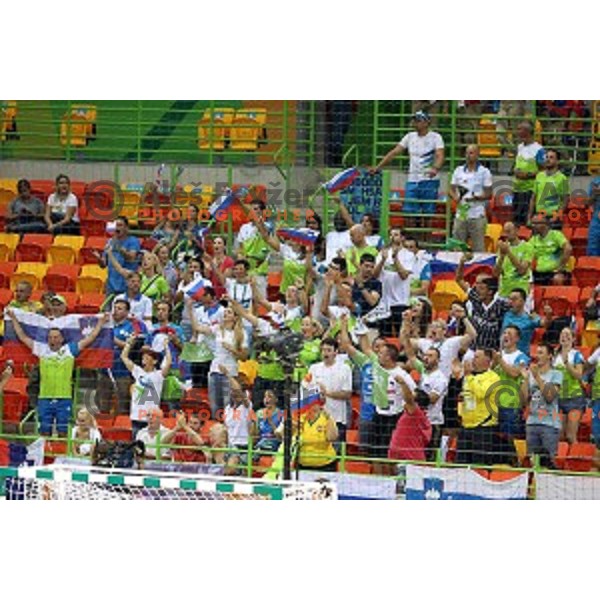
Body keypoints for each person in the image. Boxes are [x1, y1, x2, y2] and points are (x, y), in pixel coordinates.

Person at [6, 309, 110, 437]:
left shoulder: (70, 350)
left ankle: (62, 454)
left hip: (64, 399)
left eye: (55, 337)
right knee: (44, 431)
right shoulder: (41, 350)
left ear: (61, 339)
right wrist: (13, 318)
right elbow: (22, 337)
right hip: (44, 398)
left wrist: (100, 322)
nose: (52, 340)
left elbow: (91, 338)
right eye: (50, 337)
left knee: (63, 432)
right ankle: (45, 454)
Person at [373, 110, 445, 229]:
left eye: (418, 120)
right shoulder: (409, 136)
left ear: (427, 122)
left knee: (427, 213)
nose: (415, 123)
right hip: (412, 179)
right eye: (414, 120)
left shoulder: (436, 137)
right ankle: (410, 238)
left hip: (429, 180)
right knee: (409, 212)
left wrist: (435, 168)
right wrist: (378, 167)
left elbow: (440, 155)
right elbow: (394, 152)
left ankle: (424, 239)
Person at [457, 348, 512, 466]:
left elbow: (482, 393)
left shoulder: (493, 377)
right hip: (466, 427)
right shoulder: (470, 377)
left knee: (479, 466)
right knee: (460, 466)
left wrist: (469, 376)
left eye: (477, 357)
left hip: (483, 428)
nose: (473, 360)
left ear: (487, 360)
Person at [96, 298, 146, 415]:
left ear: (127, 312)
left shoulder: (133, 326)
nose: (115, 311)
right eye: (115, 308)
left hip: (123, 371)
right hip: (105, 370)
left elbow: (133, 346)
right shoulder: (106, 325)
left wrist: (111, 339)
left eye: (119, 309)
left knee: (122, 406)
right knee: (103, 405)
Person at [121, 339, 172, 439]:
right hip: (136, 417)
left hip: (151, 419)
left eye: (147, 356)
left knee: (150, 445)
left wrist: (166, 346)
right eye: (143, 356)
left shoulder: (158, 375)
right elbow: (124, 357)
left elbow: (169, 363)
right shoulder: (138, 372)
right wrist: (129, 343)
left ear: (154, 361)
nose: (144, 357)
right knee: (137, 446)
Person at [304, 338, 353, 442]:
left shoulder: (344, 368)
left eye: (329, 350)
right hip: (316, 417)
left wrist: (326, 393)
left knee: (337, 452)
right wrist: (316, 393)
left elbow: (347, 394)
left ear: (336, 352)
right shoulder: (313, 368)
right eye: (323, 350)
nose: (325, 353)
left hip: (337, 417)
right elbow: (305, 389)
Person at [522, 344, 563, 468]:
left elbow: (550, 396)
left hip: (549, 424)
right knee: (532, 462)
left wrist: (537, 377)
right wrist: (525, 379)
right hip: (532, 423)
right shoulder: (531, 374)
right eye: (536, 352)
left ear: (550, 356)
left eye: (540, 353)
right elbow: (523, 401)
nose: (536, 356)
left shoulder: (556, 374)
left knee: (548, 463)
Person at [457, 262, 510, 351]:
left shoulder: (502, 304)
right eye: (477, 284)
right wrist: (462, 262)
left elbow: (517, 307)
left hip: (491, 351)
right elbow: (459, 279)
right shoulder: (475, 298)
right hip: (473, 349)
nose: (477, 289)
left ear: (490, 291)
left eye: (481, 287)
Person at [449, 144, 493, 252]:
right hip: (461, 214)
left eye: (471, 153)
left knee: (478, 247)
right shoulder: (458, 170)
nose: (468, 156)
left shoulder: (484, 172)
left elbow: (489, 194)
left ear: (478, 155)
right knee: (457, 247)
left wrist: (477, 198)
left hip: (477, 214)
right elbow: (451, 189)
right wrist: (455, 197)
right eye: (467, 153)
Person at [493, 326, 530, 439]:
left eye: (509, 333)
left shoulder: (521, 357)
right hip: (494, 403)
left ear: (517, 338)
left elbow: (514, 373)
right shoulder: (498, 355)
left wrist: (500, 361)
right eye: (504, 333)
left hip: (511, 405)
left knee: (509, 439)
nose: (506, 335)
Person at [373, 233, 413, 337]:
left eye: (396, 234)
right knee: (384, 336)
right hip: (384, 303)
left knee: (401, 335)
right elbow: (375, 275)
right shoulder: (383, 253)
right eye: (390, 234)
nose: (392, 237)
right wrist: (382, 260)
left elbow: (404, 275)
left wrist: (395, 258)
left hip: (401, 302)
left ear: (402, 237)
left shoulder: (409, 255)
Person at [93, 216, 141, 297]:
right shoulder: (110, 241)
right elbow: (103, 265)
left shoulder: (133, 241)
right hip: (111, 285)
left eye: (120, 225)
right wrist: (99, 259)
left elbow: (131, 257)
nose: (117, 228)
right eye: (115, 226)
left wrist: (120, 248)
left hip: (127, 284)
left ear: (126, 228)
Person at [553, 327, 586, 445]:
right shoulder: (554, 355)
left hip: (574, 399)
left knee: (571, 436)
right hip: (559, 398)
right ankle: (561, 462)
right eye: (562, 334)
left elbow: (578, 375)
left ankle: (577, 461)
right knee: (560, 436)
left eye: (567, 335)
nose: (564, 337)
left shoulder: (576, 355)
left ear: (573, 339)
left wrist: (567, 363)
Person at [234, 198, 272, 298]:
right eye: (251, 210)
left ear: (262, 212)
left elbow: (264, 231)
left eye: (255, 209)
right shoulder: (244, 227)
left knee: (261, 303)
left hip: (259, 271)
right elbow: (240, 248)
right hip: (245, 272)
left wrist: (241, 203)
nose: (252, 212)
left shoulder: (267, 226)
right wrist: (241, 262)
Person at [511, 120, 546, 226]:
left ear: (527, 131)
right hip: (517, 189)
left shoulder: (538, 149)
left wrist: (528, 175)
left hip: (530, 190)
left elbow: (543, 170)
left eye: (519, 129)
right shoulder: (520, 147)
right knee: (517, 220)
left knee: (528, 221)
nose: (517, 132)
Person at [388, 382, 433, 463]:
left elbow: (408, 399)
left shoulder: (416, 413)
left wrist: (403, 383)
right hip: (400, 456)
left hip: (410, 459)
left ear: (417, 403)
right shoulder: (410, 414)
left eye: (412, 396)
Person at [528, 213, 572, 285]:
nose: (533, 226)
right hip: (540, 273)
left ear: (545, 224)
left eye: (536, 224)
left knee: (558, 279)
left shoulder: (556, 235)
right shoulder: (533, 239)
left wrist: (560, 269)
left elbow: (568, 248)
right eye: (532, 223)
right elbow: (526, 253)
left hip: (556, 272)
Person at [528, 148, 569, 227]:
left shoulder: (562, 178)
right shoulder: (539, 176)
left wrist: (557, 215)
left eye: (551, 157)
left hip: (553, 217)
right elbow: (533, 198)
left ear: (557, 161)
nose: (548, 159)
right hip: (539, 216)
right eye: (546, 157)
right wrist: (529, 216)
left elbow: (565, 200)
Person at [494, 222, 533, 299]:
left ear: (517, 230)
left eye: (509, 231)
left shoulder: (527, 247)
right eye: (505, 232)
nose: (506, 235)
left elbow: (521, 270)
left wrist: (508, 252)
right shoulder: (502, 248)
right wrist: (502, 256)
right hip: (504, 292)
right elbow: (496, 273)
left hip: (521, 291)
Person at [501, 288, 542, 354]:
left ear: (523, 301)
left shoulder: (530, 317)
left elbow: (545, 324)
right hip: (504, 354)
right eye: (509, 299)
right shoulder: (505, 314)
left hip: (522, 356)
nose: (511, 302)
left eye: (514, 299)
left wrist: (548, 315)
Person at [253, 390, 284, 455]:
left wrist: (270, 421)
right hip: (261, 443)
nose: (266, 399)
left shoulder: (281, 413)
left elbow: (281, 436)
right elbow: (256, 434)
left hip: (275, 443)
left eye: (269, 396)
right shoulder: (259, 413)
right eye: (265, 396)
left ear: (276, 399)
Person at [585, 176, 600, 257]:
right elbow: (587, 203)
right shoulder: (595, 182)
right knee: (592, 250)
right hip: (596, 221)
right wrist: (594, 194)